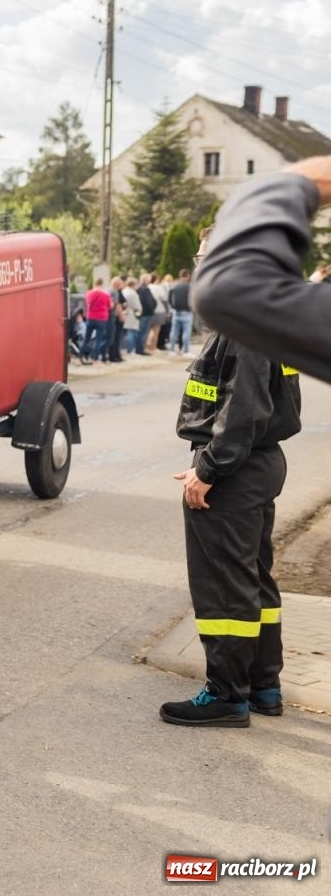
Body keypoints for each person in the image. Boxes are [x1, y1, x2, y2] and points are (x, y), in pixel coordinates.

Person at [162, 228, 302, 727]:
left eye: (203, 257)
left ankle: (226, 694)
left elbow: (242, 411)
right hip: (253, 463)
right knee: (252, 579)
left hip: (236, 469)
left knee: (224, 585)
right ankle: (263, 685)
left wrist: (208, 468)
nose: (198, 266)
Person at [192, 155, 331, 383]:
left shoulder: (245, 332)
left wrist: (293, 183)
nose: (200, 268)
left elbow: (227, 292)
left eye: (205, 259)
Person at [83, 278, 112, 363]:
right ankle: (94, 357)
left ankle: (82, 355)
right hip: (101, 318)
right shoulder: (105, 294)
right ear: (102, 284)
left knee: (87, 338)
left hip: (90, 317)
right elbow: (110, 306)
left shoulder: (88, 293)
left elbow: (87, 303)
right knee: (98, 339)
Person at [167, 269, 194, 356]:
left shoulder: (174, 286)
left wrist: (172, 306)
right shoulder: (190, 286)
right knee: (186, 332)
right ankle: (186, 351)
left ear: (180, 275)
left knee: (174, 332)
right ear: (188, 276)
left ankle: (172, 350)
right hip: (187, 311)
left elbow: (169, 298)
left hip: (176, 311)